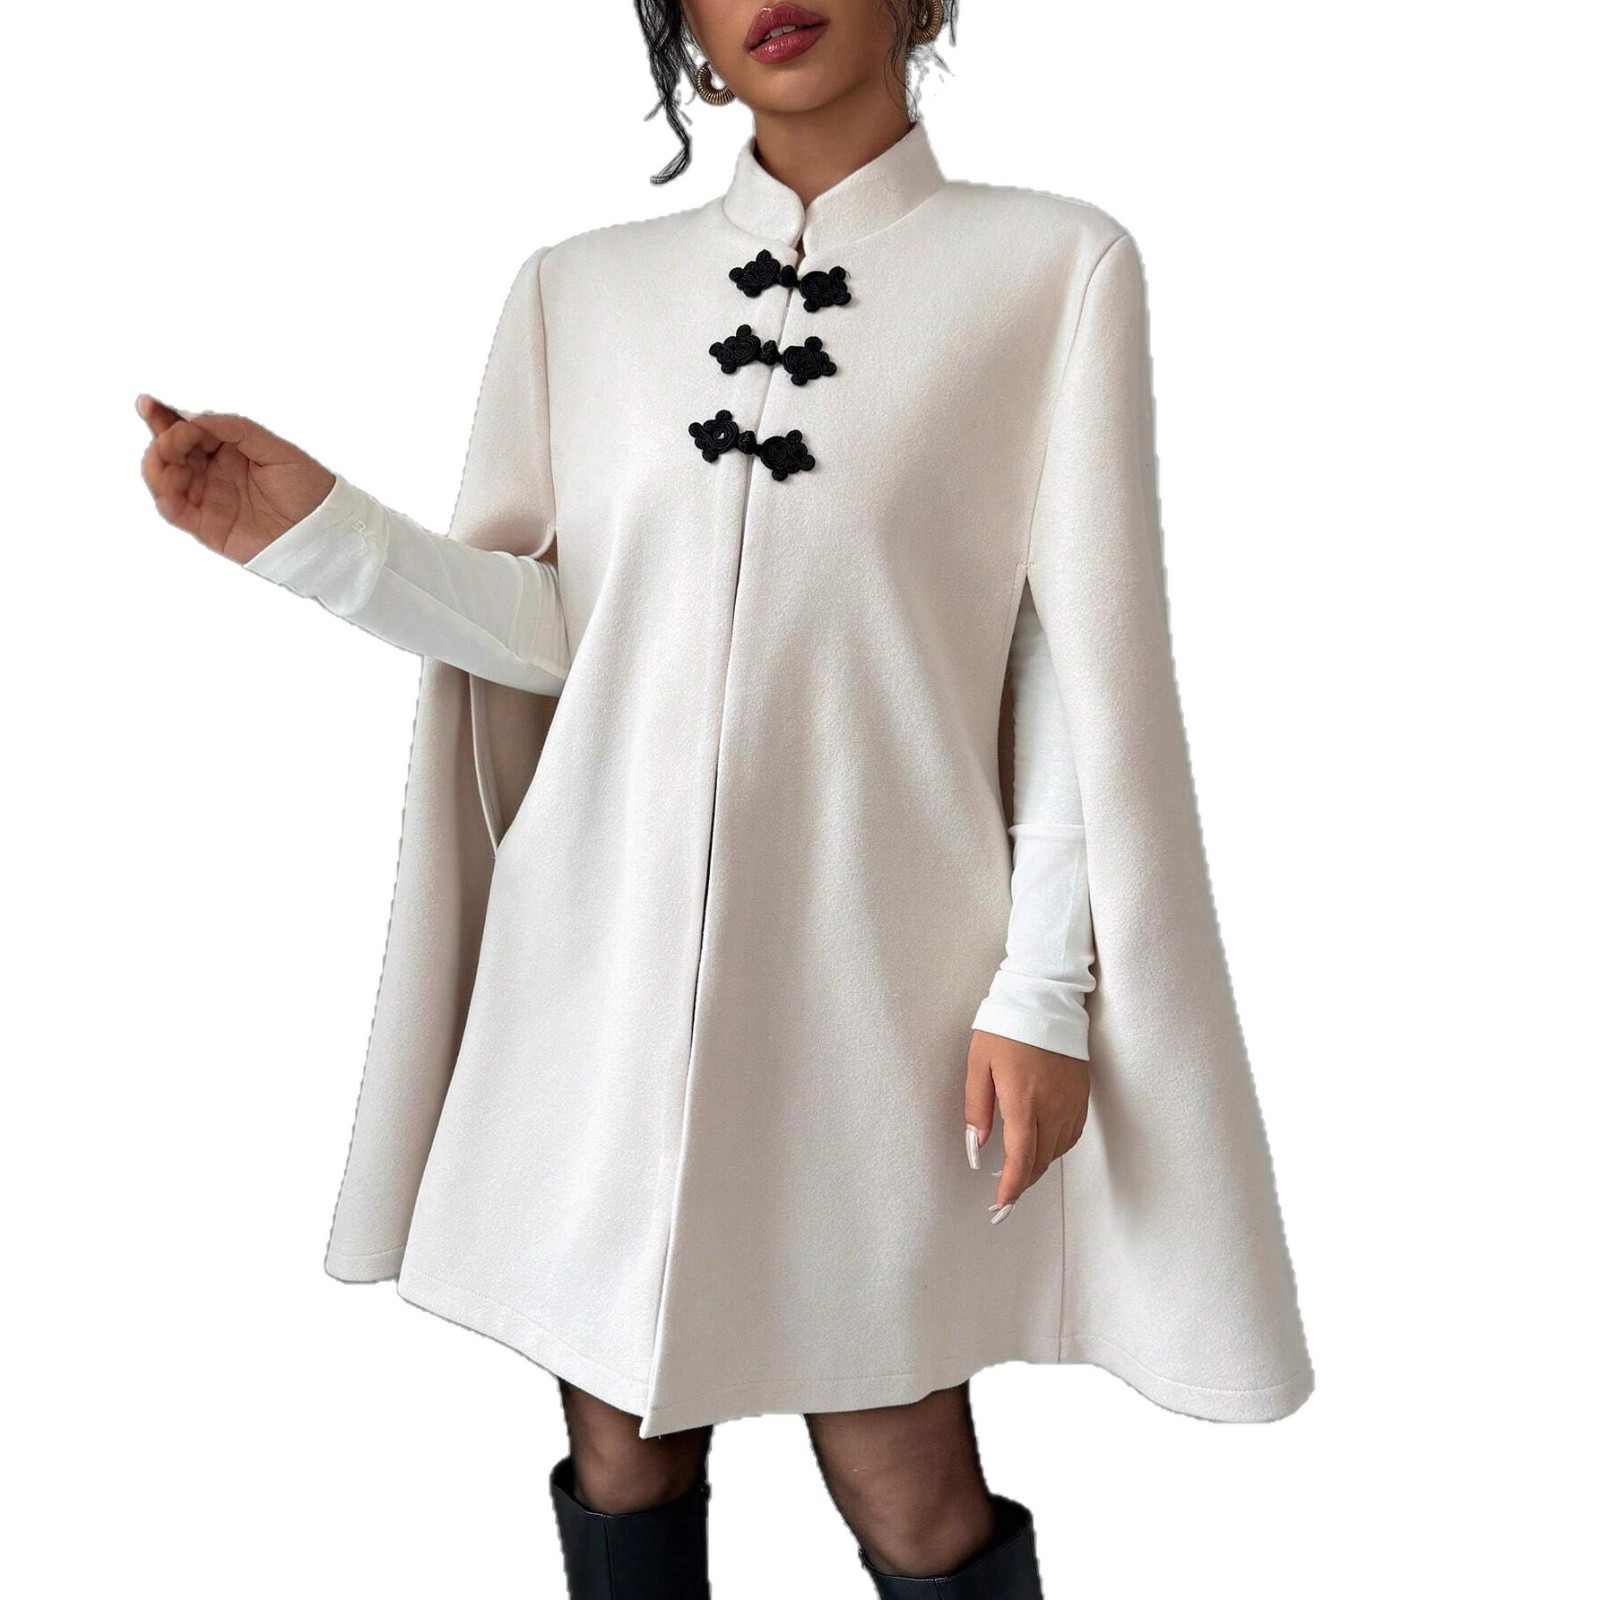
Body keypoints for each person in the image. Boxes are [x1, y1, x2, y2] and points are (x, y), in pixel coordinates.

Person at [137, 4, 1313, 1595]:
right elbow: (568, 632)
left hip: (879, 985)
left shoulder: (1052, 271)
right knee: (623, 1447)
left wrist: (1044, 986)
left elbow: (1067, 658)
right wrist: (319, 533)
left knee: (902, 1470)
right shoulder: (577, 293)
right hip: (601, 974)